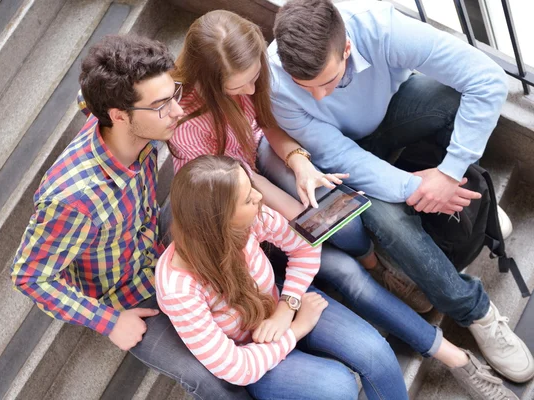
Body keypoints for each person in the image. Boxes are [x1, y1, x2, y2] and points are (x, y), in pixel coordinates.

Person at [266, 0, 534, 383]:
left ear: (346, 49)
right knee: (386, 218)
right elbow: (342, 156)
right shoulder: (276, 81)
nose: (320, 98)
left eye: (329, 82)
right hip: (344, 161)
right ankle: (476, 312)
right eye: (307, 88)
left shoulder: (380, 27)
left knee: (453, 97)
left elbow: (488, 80)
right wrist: (417, 187)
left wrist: (448, 173)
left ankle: (470, 197)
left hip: (394, 112)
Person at [156, 155, 518, 400]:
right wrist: (294, 331)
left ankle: (454, 359)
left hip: (283, 307)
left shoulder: (253, 220)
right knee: (340, 386)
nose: (259, 199)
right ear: (219, 222)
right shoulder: (179, 288)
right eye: (248, 199)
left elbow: (304, 247)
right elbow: (235, 368)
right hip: (255, 356)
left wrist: (289, 305)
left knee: (376, 352)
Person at [10, 34, 252, 400]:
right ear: (118, 116)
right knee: (210, 381)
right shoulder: (71, 199)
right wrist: (108, 322)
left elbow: (88, 97)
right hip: (127, 296)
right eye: (160, 105)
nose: (178, 110)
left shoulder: (123, 113)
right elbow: (29, 275)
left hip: (160, 243)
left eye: (174, 93)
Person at [170, 9, 432, 312]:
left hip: (260, 150)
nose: (252, 90)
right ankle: (370, 267)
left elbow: (267, 124)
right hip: (231, 193)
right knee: (331, 226)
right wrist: (309, 215)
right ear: (210, 83)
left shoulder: (249, 75)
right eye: (238, 87)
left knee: (339, 218)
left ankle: (371, 260)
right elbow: (246, 181)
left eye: (255, 78)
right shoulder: (186, 126)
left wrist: (301, 163)